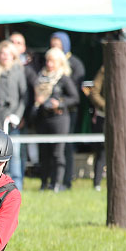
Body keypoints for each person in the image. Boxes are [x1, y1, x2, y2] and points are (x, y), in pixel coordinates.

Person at [31, 47, 78, 191]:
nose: (49, 64)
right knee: (44, 152)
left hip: (59, 119)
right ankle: (44, 183)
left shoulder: (63, 78)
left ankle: (57, 183)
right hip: (43, 118)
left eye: (52, 61)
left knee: (57, 153)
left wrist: (60, 103)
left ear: (59, 62)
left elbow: (75, 98)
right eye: (48, 60)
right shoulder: (40, 77)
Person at [0, 40, 28, 190]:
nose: (5, 56)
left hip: (12, 119)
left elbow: (24, 97)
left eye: (8, 53)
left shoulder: (18, 71)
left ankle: (17, 185)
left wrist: (18, 115)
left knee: (14, 153)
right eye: (2, 53)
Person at [49, 31, 85, 189]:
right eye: (53, 44)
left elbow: (75, 93)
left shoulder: (75, 64)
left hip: (68, 112)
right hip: (52, 115)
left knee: (66, 147)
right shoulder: (48, 64)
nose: (55, 47)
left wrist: (61, 103)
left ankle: (66, 180)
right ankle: (52, 180)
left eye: (58, 45)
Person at [87, 65, 105, 191]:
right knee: (102, 151)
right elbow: (94, 92)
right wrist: (108, 106)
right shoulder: (105, 69)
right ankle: (97, 183)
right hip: (105, 116)